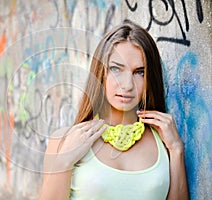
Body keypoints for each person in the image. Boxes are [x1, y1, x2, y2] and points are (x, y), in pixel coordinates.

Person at [38, 22, 189, 200]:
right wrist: (64, 161)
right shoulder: (63, 140)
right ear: (100, 72)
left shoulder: (164, 141)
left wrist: (176, 149)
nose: (127, 85)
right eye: (116, 69)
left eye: (139, 72)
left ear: (150, 78)